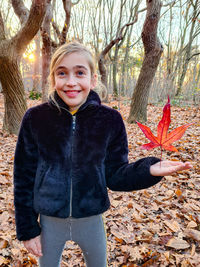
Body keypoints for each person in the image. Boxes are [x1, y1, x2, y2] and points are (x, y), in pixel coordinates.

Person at [13, 42, 192, 267]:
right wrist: (28, 229)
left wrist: (149, 169)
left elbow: (116, 174)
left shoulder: (110, 120)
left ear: (93, 79)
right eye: (62, 73)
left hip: (91, 219)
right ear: (53, 79)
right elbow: (23, 176)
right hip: (49, 220)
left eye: (80, 72)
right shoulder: (35, 119)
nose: (71, 82)